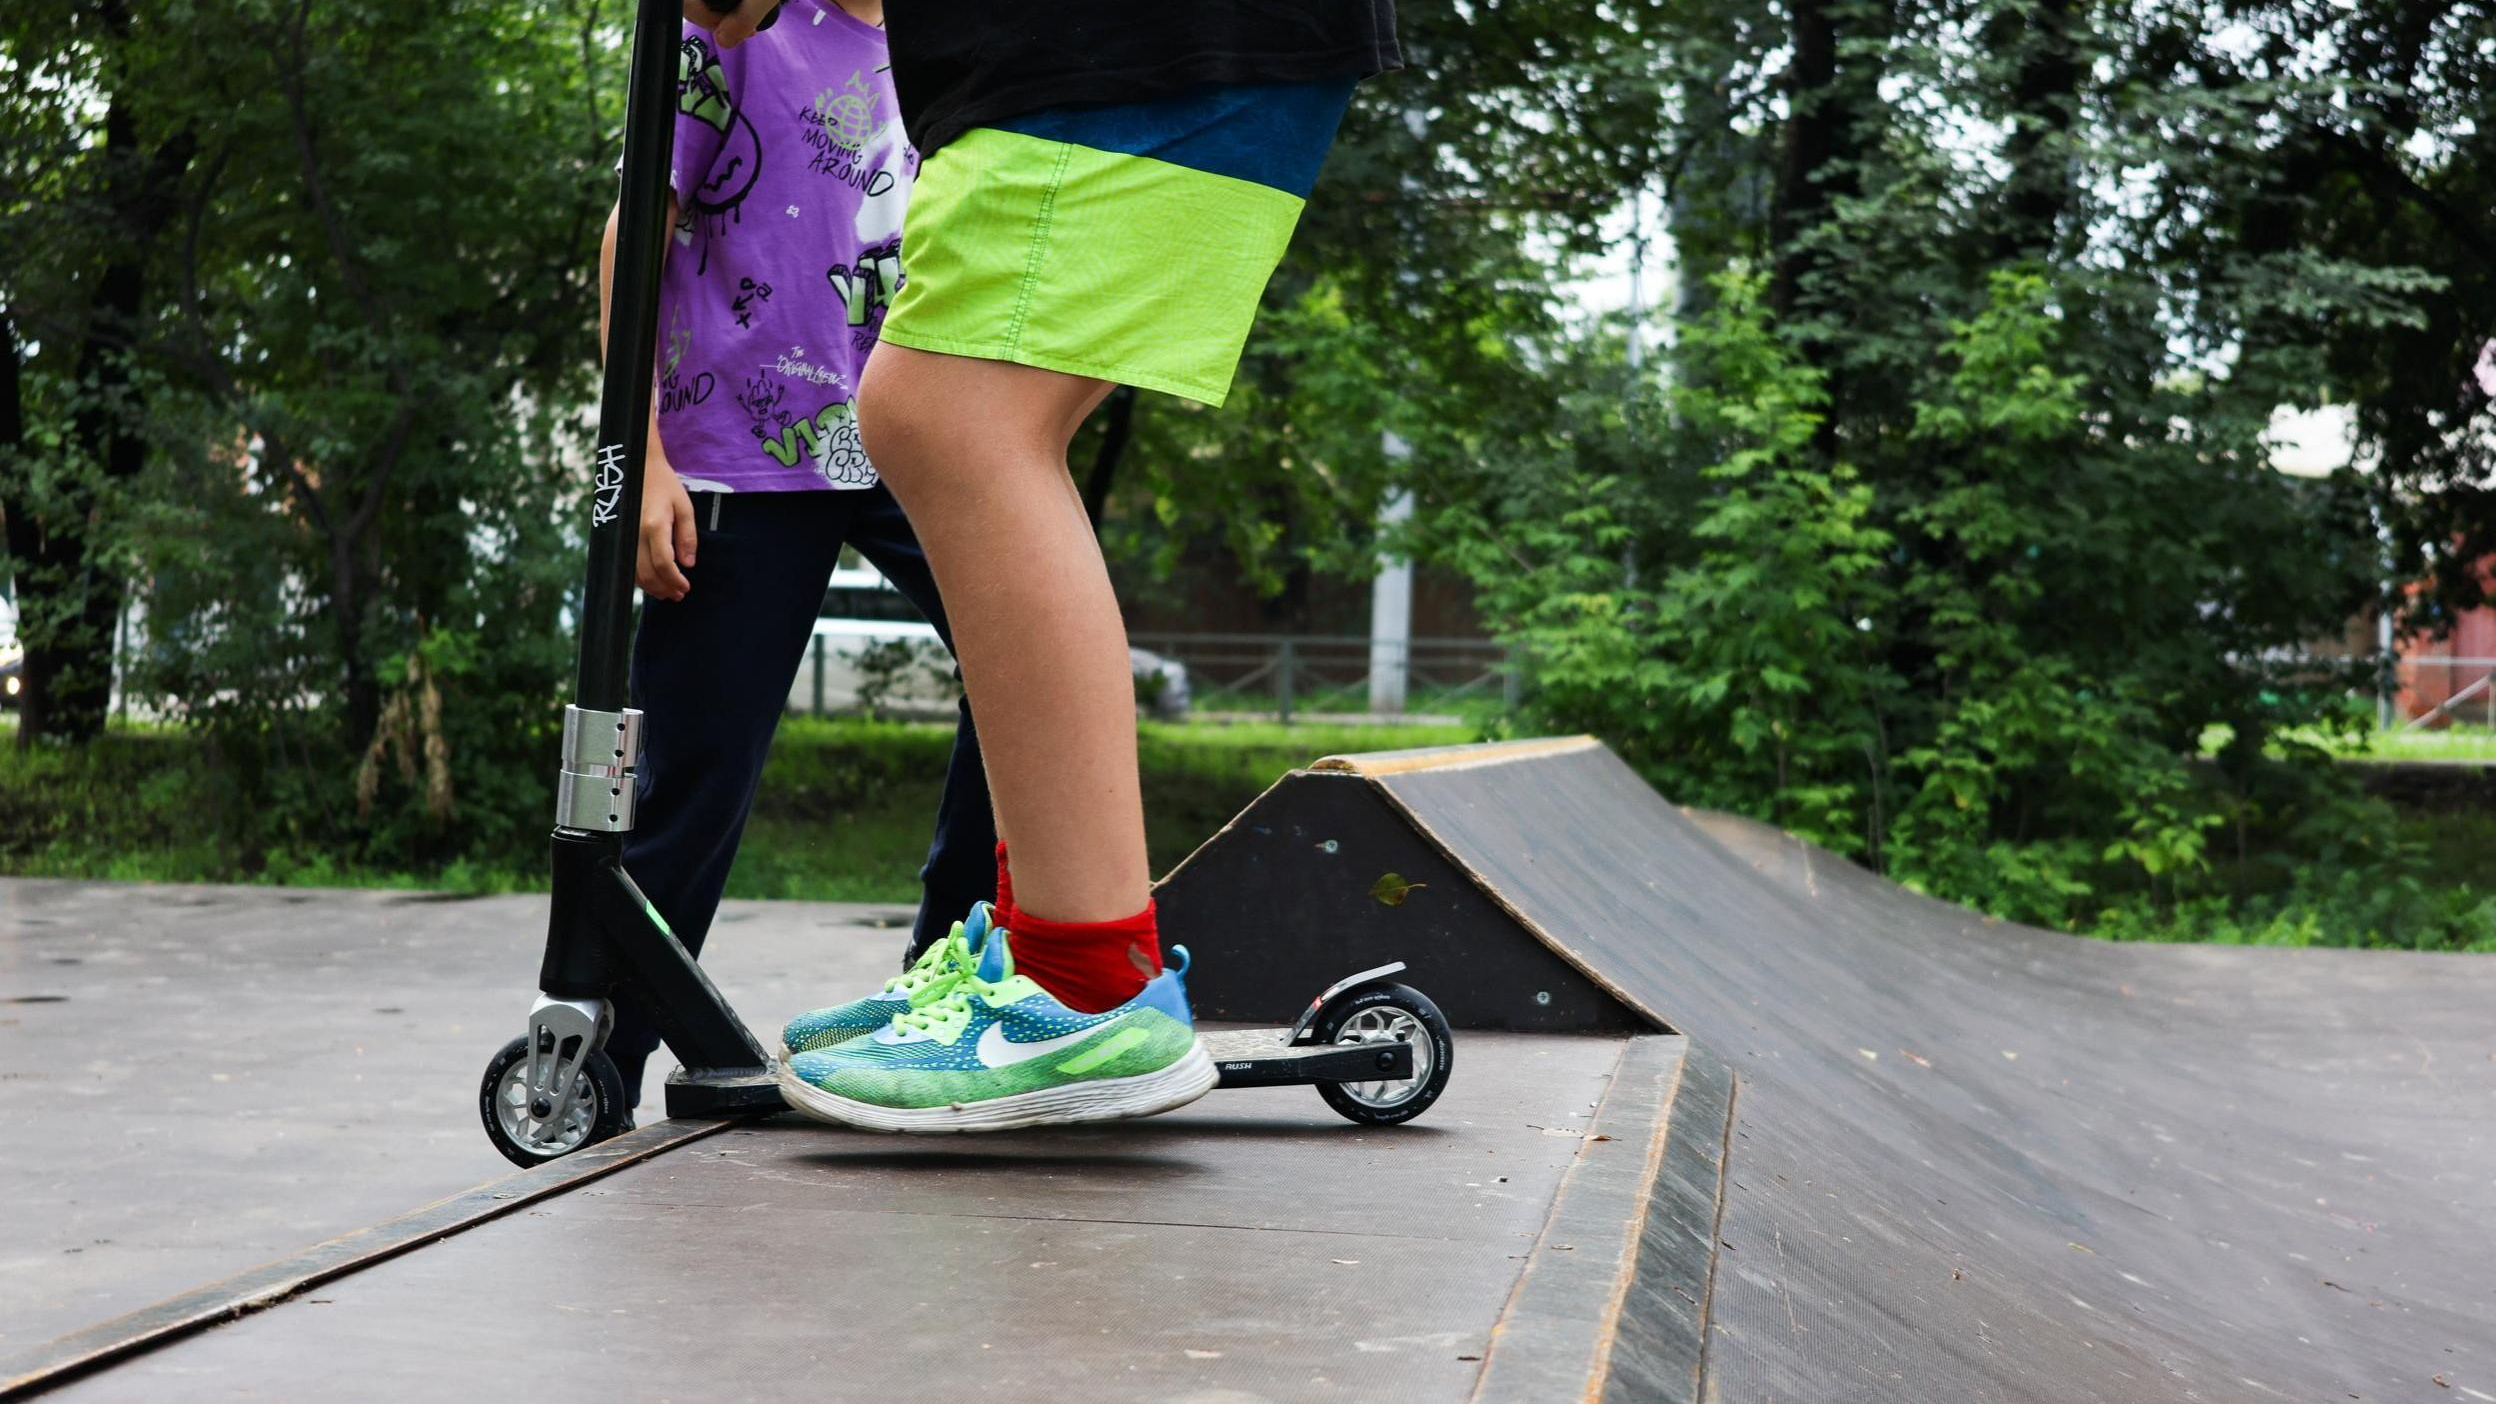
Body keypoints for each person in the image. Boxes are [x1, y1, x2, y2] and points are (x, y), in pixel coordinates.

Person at [689, 0, 1402, 1132]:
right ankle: (1043, 957)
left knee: (952, 417)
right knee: (950, 415)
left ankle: (1084, 986)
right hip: (1133, 48)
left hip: (1117, 42)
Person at [600, 0, 1002, 1113]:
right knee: (693, 775)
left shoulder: (955, 41)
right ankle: (603, 1056)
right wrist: (638, 459)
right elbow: (636, 230)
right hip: (742, 449)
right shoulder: (733, 26)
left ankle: (946, 985)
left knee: (1034, 677)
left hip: (910, 435)